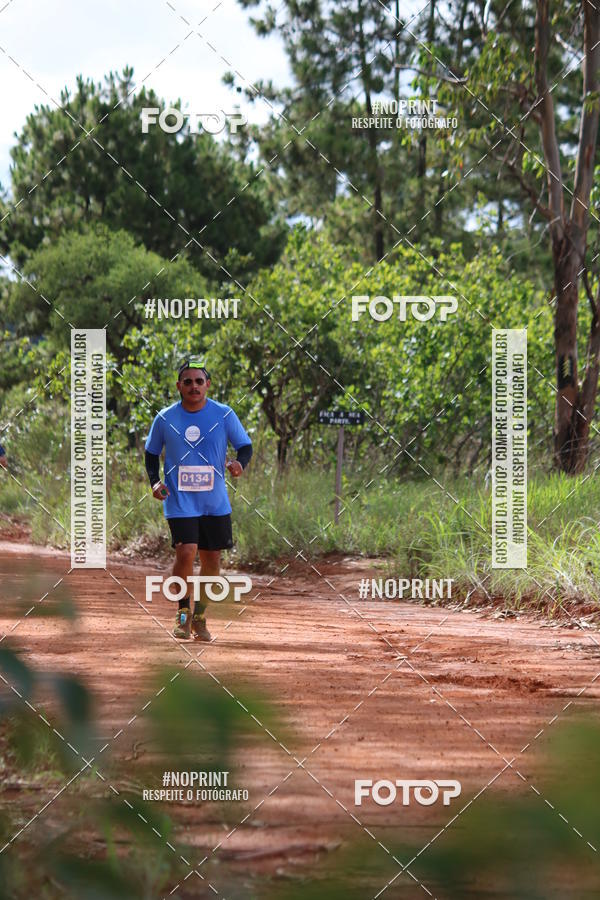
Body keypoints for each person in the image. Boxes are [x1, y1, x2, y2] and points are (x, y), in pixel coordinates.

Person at [144, 359, 252, 641]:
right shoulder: (165, 418)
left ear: (208, 385)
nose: (194, 386)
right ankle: (182, 614)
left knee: (212, 559)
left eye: (199, 381)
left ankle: (200, 616)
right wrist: (154, 481)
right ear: (179, 386)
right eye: (188, 382)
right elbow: (151, 452)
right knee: (186, 551)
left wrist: (240, 464)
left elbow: (245, 446)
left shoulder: (224, 414)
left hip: (214, 501)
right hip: (180, 499)